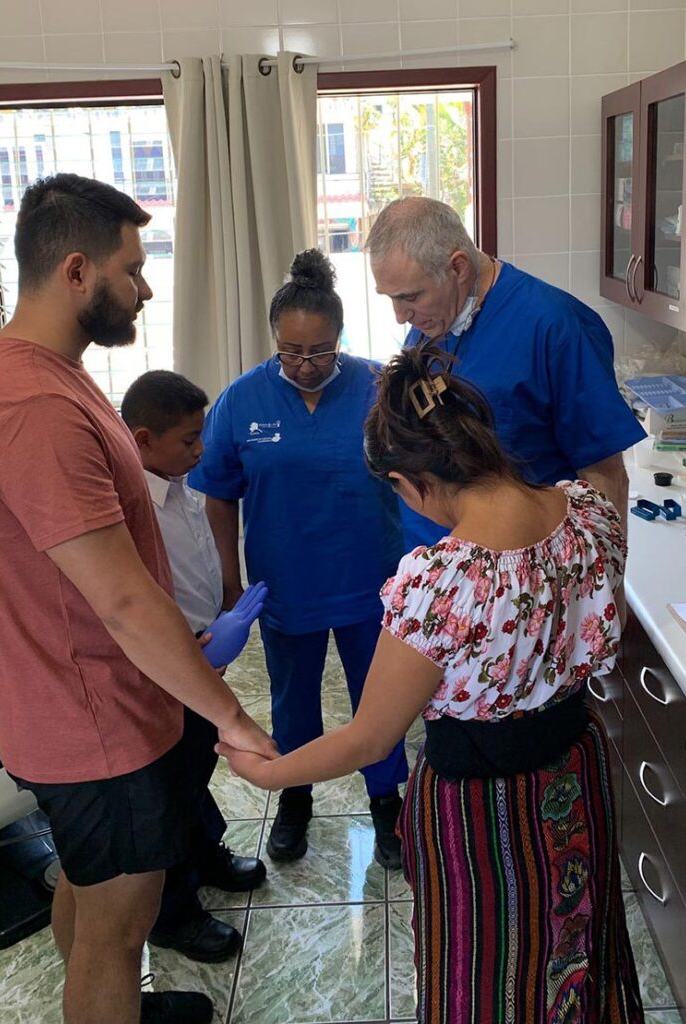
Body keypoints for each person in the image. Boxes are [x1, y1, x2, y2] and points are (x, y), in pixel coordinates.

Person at [216, 345, 645, 1024]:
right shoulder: (589, 514)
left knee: (485, 968)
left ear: (413, 482)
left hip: (480, 805)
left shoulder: (440, 583)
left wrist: (272, 775)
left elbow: (370, 736)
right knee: (572, 940)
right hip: (574, 772)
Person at [0, 174, 276, 1024]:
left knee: (90, 893)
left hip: (79, 711)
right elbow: (125, 603)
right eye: (133, 269)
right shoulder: (33, 407)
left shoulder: (46, 373)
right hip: (94, 729)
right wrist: (232, 719)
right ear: (76, 271)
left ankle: (113, 1005)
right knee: (117, 927)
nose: (147, 285)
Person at [189, 249, 409, 869]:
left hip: (373, 580)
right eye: (292, 351)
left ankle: (387, 799)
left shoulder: (377, 387)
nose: (306, 365)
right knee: (293, 697)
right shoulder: (241, 401)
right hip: (286, 583)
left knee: (378, 698)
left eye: (320, 351)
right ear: (275, 341)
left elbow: (420, 476)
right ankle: (294, 795)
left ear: (340, 339)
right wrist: (231, 585)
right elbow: (218, 496)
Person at [365, 196, 646, 582]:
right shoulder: (429, 325)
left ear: (458, 267)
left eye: (410, 297)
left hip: (521, 585)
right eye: (391, 298)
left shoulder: (555, 327)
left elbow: (605, 477)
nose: (400, 316)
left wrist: (607, 594)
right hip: (437, 569)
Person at [121, 369, 268, 964]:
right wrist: (195, 644)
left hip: (205, 652)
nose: (201, 449)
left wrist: (223, 611)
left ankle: (205, 854)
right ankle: (175, 913)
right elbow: (137, 600)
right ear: (142, 439)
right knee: (169, 787)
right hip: (171, 663)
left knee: (197, 761)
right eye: (187, 440)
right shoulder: (131, 504)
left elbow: (197, 562)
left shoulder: (178, 484)